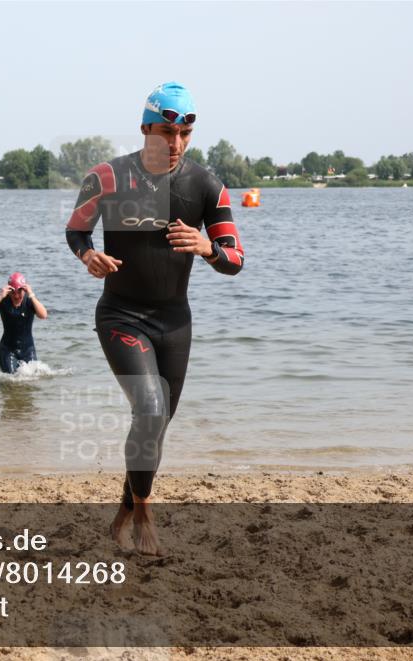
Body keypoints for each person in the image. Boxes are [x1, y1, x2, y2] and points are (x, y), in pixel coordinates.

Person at [64, 81, 244, 555]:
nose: (176, 142)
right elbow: (76, 230)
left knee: (157, 424)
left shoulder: (207, 186)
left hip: (175, 322)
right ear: (145, 129)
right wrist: (88, 256)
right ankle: (145, 512)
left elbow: (235, 259)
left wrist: (207, 247)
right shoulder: (107, 177)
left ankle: (123, 512)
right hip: (121, 314)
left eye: (185, 134)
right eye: (166, 132)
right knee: (149, 409)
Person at [0, 272, 48, 373]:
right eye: (13, 292)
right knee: (11, 379)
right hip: (7, 350)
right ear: (8, 291)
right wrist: (0, 296)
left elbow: (43, 315)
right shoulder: (3, 300)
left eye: (19, 292)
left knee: (33, 378)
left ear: (24, 290)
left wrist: (31, 294)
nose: (16, 296)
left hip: (28, 350)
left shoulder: (29, 300)